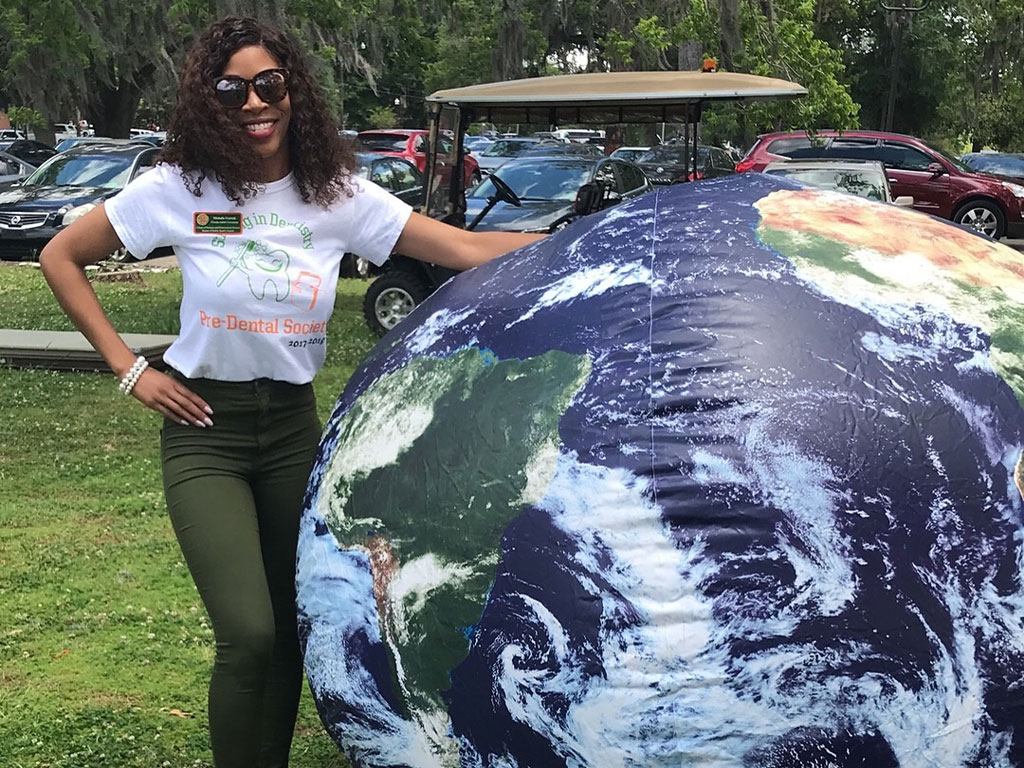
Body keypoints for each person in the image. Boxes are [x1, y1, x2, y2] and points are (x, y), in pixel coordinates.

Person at [39, 16, 542, 768]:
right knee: (249, 631)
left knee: (291, 627)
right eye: (231, 89)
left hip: (293, 434)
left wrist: (588, 236)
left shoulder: (335, 196)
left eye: (268, 84)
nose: (253, 103)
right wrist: (131, 369)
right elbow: (59, 256)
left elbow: (464, 250)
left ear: (292, 91)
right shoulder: (180, 188)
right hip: (206, 429)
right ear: (210, 102)